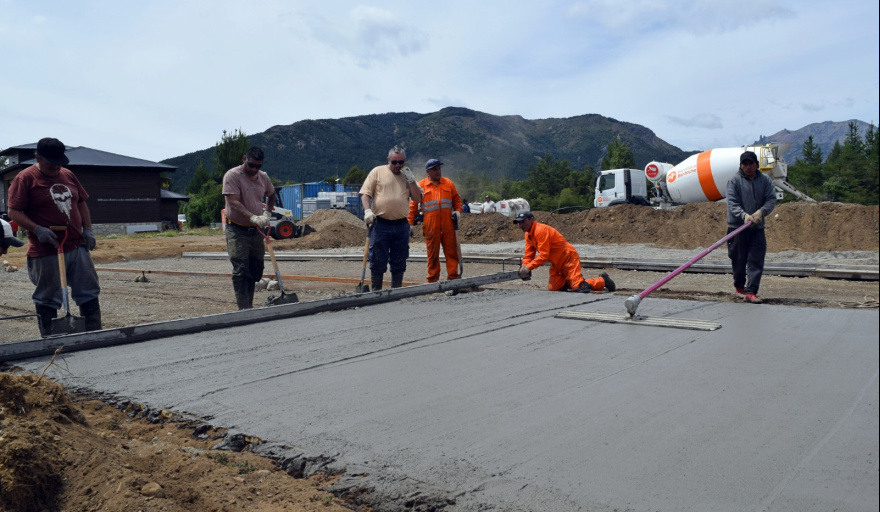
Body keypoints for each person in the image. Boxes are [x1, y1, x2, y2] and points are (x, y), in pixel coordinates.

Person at [7, 137, 102, 336]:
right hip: (46, 250)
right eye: (51, 163)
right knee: (48, 296)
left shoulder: (68, 174)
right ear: (37, 157)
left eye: (59, 163)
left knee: (88, 290)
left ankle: (95, 336)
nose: (56, 167)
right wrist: (37, 229)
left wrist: (88, 229)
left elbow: (81, 203)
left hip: (76, 245)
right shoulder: (25, 178)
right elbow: (14, 211)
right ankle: (51, 340)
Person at [359, 146, 422, 290]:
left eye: (401, 162)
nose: (398, 165)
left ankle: (396, 291)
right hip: (380, 224)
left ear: (405, 161)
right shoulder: (377, 172)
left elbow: (417, 198)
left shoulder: (407, 175)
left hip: (401, 225)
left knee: (399, 259)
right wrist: (367, 211)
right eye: (394, 162)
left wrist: (412, 181)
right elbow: (365, 193)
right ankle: (377, 292)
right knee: (377, 258)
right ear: (388, 160)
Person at [222, 146, 275, 309]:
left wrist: (267, 213)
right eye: (251, 165)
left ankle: (248, 306)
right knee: (241, 270)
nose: (254, 169)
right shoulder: (233, 175)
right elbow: (233, 202)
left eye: (258, 166)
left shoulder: (263, 177)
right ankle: (244, 310)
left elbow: (272, 194)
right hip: (237, 230)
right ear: (244, 159)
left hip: (256, 231)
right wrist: (252, 217)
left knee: (255, 269)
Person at [512, 211, 615, 293]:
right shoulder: (528, 234)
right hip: (557, 263)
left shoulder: (540, 230)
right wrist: (525, 266)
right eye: (519, 223)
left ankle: (603, 281)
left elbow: (544, 255)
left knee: (580, 288)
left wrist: (529, 267)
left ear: (531, 220)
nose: (521, 225)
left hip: (568, 258)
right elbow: (528, 254)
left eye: (523, 221)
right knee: (554, 288)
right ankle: (573, 280)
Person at [726, 150, 776, 304]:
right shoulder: (734, 181)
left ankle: (751, 291)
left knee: (756, 259)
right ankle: (739, 287)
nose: (748, 167)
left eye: (751, 163)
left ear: (756, 165)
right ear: (741, 165)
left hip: (757, 228)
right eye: (745, 164)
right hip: (737, 228)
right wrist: (744, 216)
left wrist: (761, 212)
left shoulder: (765, 180)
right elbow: (732, 203)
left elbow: (771, 199)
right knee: (738, 259)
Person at [408, 159, 462, 282]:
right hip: (431, 225)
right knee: (432, 254)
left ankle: (453, 278)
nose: (438, 171)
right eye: (434, 169)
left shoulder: (448, 183)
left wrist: (458, 211)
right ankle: (433, 280)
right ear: (428, 171)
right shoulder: (421, 186)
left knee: (452, 252)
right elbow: (413, 206)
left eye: (439, 168)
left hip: (448, 224)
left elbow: (457, 200)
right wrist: (410, 223)